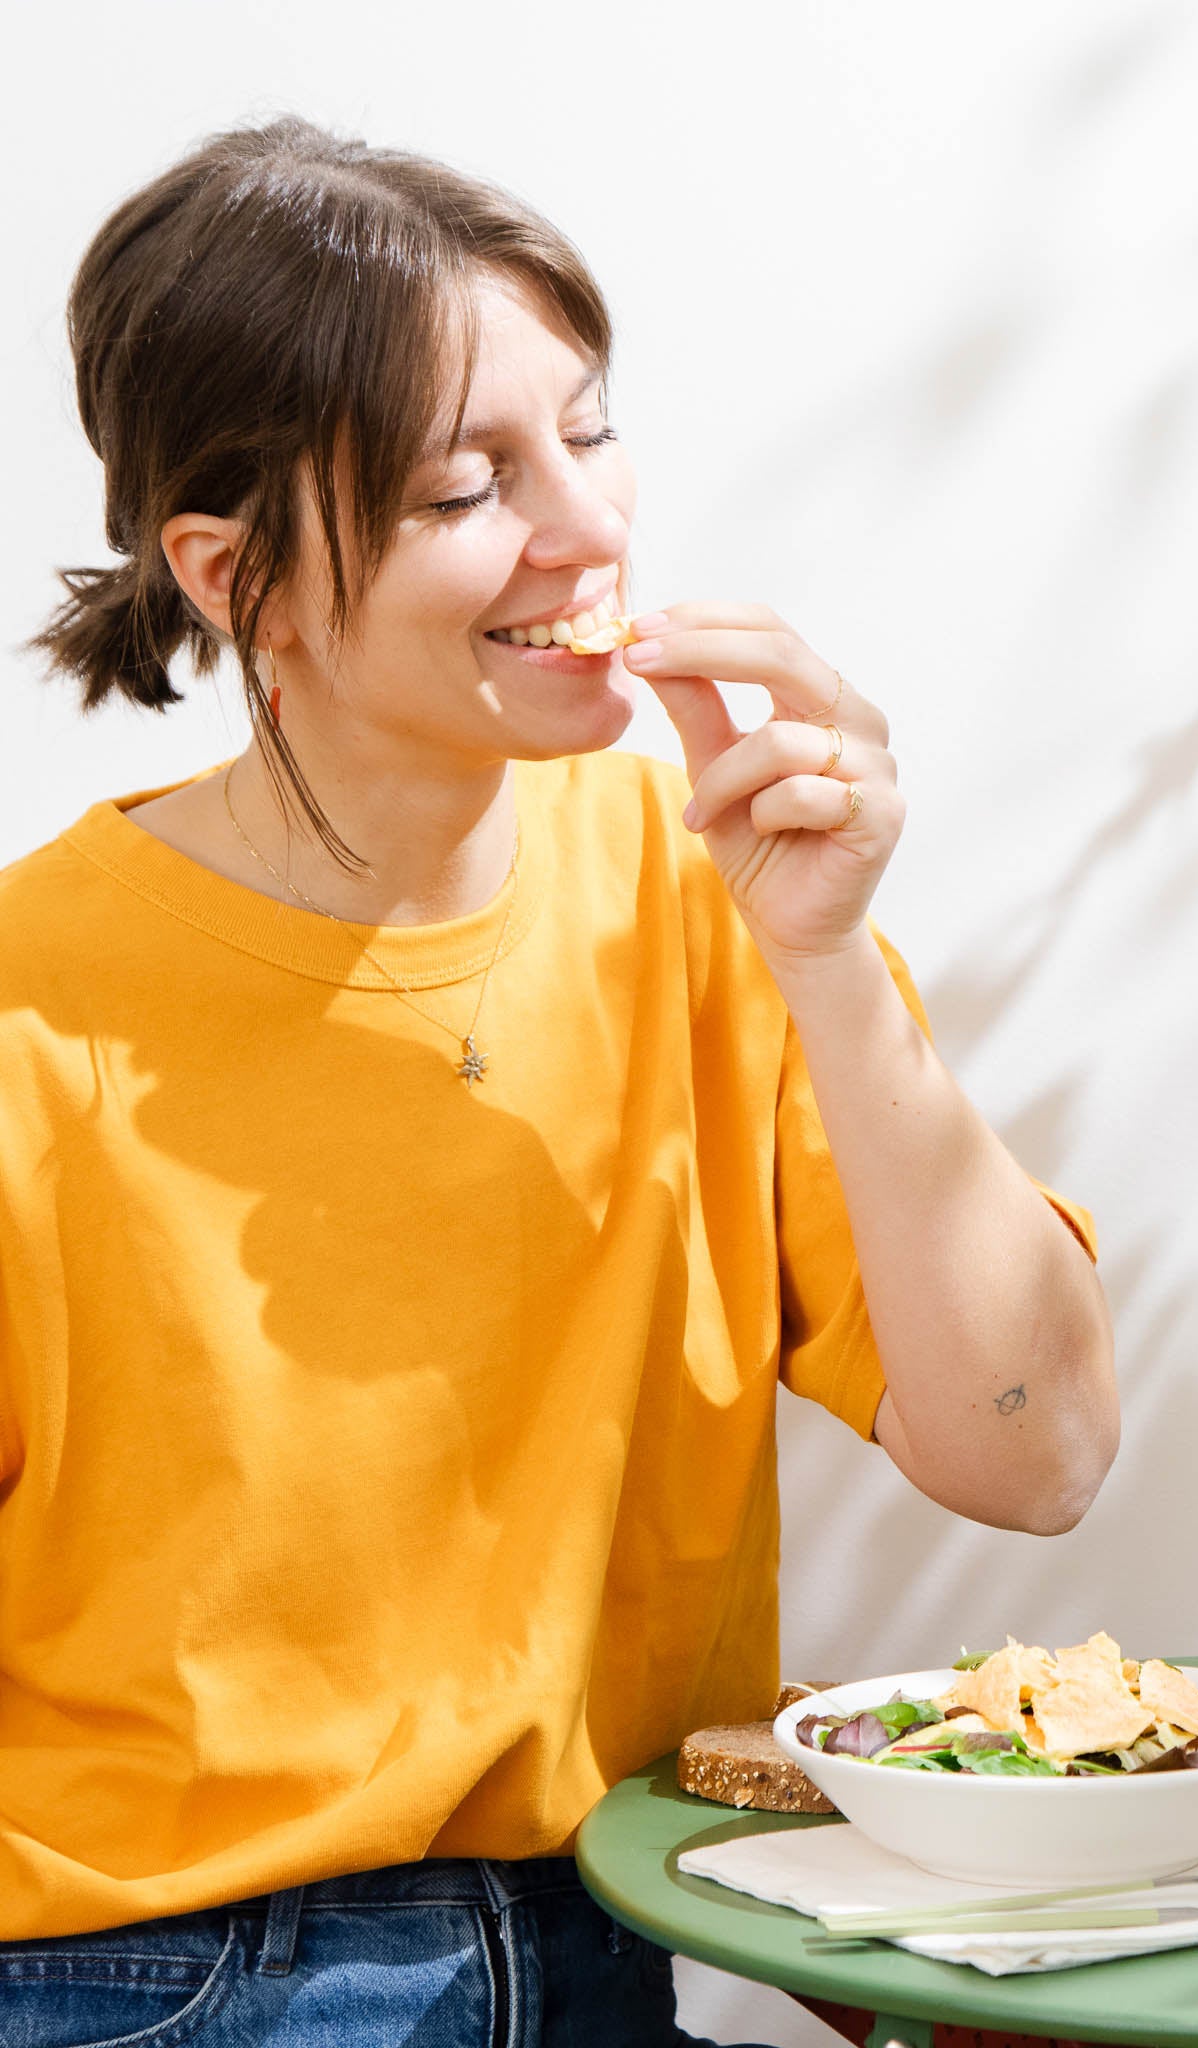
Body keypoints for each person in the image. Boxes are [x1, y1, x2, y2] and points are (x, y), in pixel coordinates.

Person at [0, 116, 1118, 2045]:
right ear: (239, 576)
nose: (588, 527)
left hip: (609, 1944)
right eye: (467, 486)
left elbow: (1041, 1455)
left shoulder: (707, 896)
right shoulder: (34, 1004)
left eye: (590, 437)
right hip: (157, 1985)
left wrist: (830, 966)